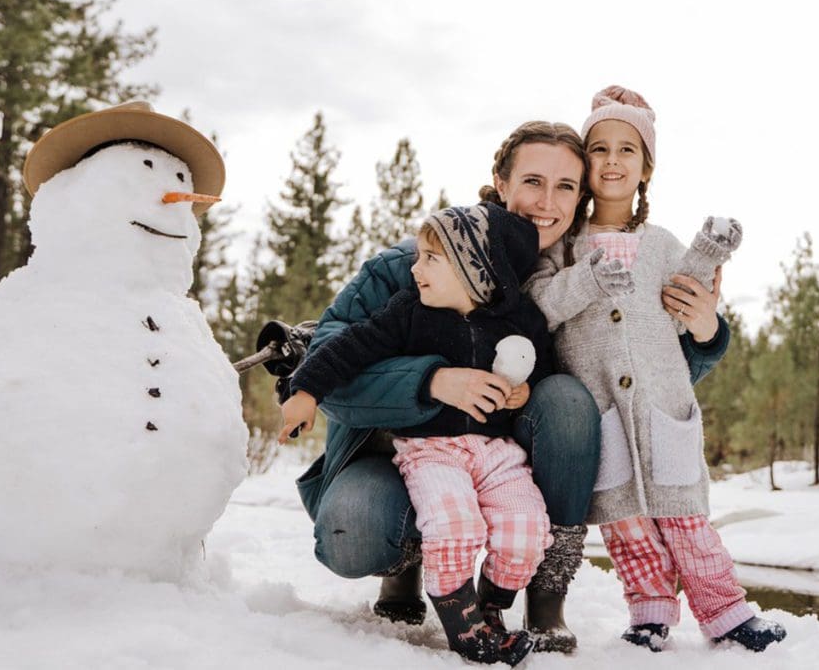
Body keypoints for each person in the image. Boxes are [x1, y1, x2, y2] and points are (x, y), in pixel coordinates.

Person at [291, 120, 730, 655]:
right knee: (354, 529)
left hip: (504, 455)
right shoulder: (417, 264)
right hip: (399, 453)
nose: (547, 201)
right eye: (532, 181)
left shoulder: (582, 272)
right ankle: (405, 563)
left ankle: (545, 598)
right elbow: (326, 363)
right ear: (500, 183)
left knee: (569, 400)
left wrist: (706, 333)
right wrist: (432, 380)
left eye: (566, 186)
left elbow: (641, 378)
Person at [524, 86, 786, 653]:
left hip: (664, 406)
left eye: (628, 150)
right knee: (626, 523)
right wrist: (589, 277)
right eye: (600, 149)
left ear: (647, 168)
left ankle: (726, 612)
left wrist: (711, 254)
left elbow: (691, 297)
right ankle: (649, 612)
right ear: (584, 162)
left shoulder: (661, 243)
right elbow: (539, 305)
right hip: (601, 410)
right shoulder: (563, 247)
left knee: (685, 517)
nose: (613, 161)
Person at [278, 203, 551, 665]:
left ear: (474, 270)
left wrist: (522, 394)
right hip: (432, 451)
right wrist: (305, 390)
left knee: (527, 526)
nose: (416, 268)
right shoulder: (409, 312)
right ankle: (463, 625)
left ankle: (490, 606)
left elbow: (544, 364)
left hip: (494, 451)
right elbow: (350, 347)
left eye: (430, 258)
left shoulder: (517, 320)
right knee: (454, 525)